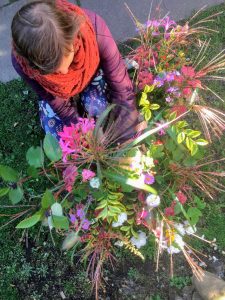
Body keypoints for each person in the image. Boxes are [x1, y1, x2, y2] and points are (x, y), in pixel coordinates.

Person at [11, 0, 140, 141]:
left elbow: (119, 80)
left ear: (73, 37)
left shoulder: (94, 29)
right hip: (56, 94)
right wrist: (79, 127)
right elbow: (55, 101)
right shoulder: (23, 65)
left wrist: (127, 126)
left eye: (69, 60)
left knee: (100, 110)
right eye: (55, 72)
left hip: (91, 76)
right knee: (55, 133)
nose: (65, 72)